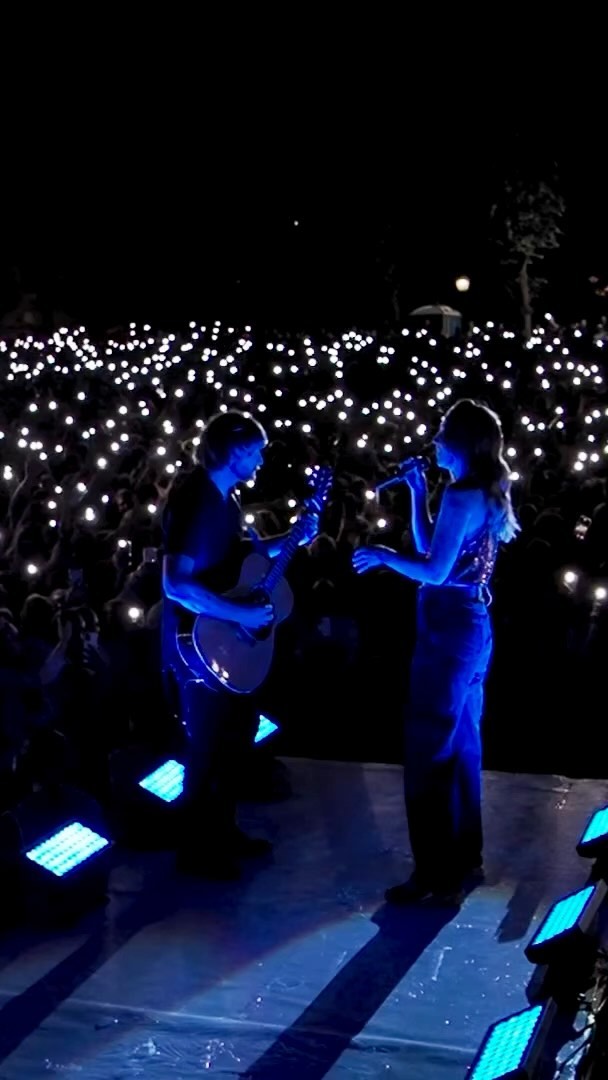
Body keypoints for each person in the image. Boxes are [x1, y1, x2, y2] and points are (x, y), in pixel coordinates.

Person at [353, 399, 519, 906]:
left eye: (443, 433)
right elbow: (435, 548)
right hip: (473, 625)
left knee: (428, 747)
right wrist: (418, 493)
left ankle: (433, 873)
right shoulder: (482, 490)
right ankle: (464, 854)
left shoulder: (462, 493)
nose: (435, 442)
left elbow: (433, 571)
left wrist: (383, 555)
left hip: (448, 629)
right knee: (464, 742)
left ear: (461, 442)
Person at [162, 410, 318, 879]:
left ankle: (223, 831)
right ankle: (197, 851)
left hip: (224, 642)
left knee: (234, 739)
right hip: (199, 646)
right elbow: (176, 583)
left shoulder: (225, 498)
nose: (261, 461)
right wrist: (241, 615)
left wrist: (290, 539)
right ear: (234, 452)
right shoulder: (195, 498)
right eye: (256, 452)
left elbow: (239, 560)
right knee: (207, 749)